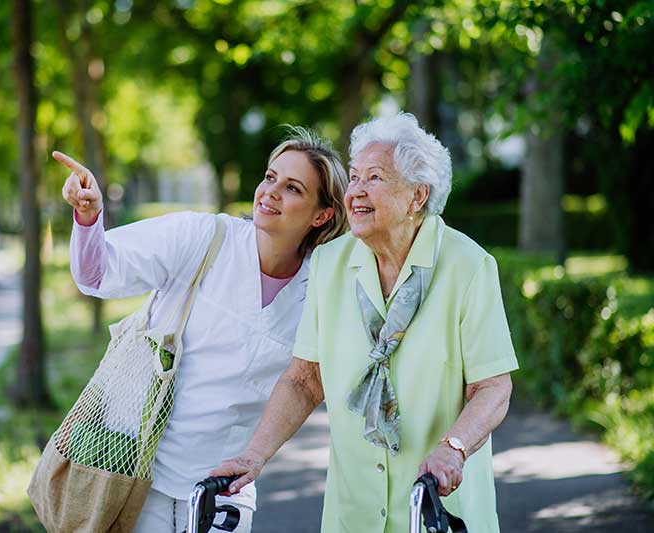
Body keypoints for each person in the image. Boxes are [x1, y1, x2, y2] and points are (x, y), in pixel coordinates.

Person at [212, 113, 518, 532]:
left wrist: (454, 448)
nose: (354, 191)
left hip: (437, 507)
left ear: (416, 196)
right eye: (354, 177)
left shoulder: (468, 266)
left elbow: (493, 387)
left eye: (373, 178)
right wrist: (254, 456)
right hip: (352, 513)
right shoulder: (329, 264)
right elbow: (305, 379)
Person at [55, 126, 349, 533]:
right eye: (269, 177)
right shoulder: (203, 237)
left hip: (226, 484)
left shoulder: (319, 289)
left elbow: (310, 380)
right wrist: (89, 219)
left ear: (322, 215)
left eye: (293, 188)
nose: (271, 192)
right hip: (141, 470)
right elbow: (97, 273)